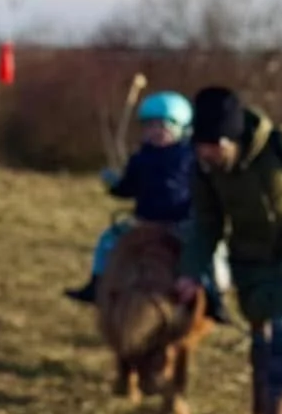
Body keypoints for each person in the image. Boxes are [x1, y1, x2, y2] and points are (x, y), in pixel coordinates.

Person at [177, 85, 282, 414]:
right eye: (200, 145)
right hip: (251, 260)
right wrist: (192, 271)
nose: (205, 153)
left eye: (212, 146)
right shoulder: (206, 171)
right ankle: (258, 413)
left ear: (232, 139)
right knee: (260, 334)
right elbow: (206, 225)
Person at [65, 91, 199, 305]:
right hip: (145, 222)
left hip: (179, 224)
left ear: (180, 128)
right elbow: (128, 188)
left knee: (204, 256)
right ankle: (96, 285)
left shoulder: (191, 158)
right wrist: (114, 185)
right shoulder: (140, 158)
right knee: (107, 241)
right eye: (150, 126)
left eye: (162, 126)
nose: (155, 132)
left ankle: (212, 296)